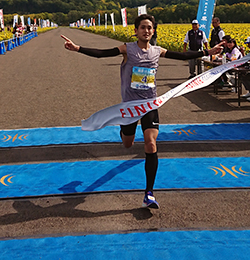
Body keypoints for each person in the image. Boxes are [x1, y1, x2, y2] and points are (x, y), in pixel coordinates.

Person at [62, 14, 221, 209]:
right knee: (128, 143)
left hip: (149, 105)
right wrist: (77, 48)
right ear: (136, 31)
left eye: (150, 28)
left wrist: (207, 51)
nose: (146, 30)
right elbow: (102, 53)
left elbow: (182, 56)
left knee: (151, 144)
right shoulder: (127, 49)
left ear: (153, 31)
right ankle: (123, 130)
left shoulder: (157, 51)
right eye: (143, 27)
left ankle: (149, 193)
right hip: (130, 106)